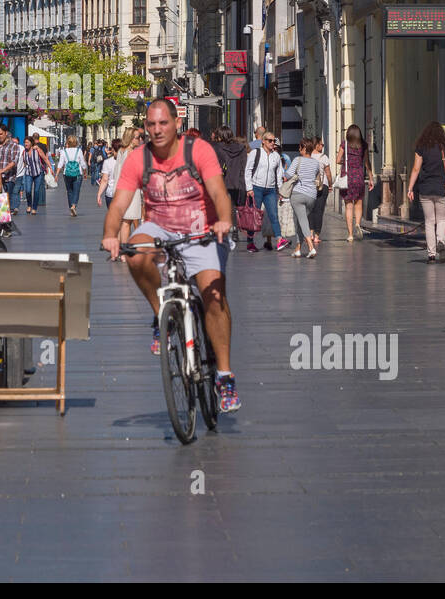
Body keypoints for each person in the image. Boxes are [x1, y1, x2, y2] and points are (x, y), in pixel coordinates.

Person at [102, 99, 239, 412]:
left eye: (163, 123)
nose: (156, 130)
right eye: (151, 124)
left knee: (213, 296)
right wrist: (110, 235)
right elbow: (119, 205)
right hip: (161, 228)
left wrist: (224, 219)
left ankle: (224, 375)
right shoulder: (139, 158)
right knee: (135, 252)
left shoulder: (198, 150)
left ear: (177, 123)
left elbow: (218, 191)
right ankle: (161, 312)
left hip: (201, 230)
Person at [407, 121, 445, 262]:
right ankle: (441, 242)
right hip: (440, 188)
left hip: (425, 188)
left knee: (429, 221)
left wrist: (410, 188)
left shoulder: (421, 147)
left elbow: (416, 168)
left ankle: (431, 254)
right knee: (442, 219)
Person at [243, 130, 290, 252]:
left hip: (270, 190)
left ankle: (280, 240)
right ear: (263, 141)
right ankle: (250, 243)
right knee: (254, 217)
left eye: (274, 140)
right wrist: (249, 188)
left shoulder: (276, 156)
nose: (272, 143)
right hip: (256, 188)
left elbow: (279, 174)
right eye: (270, 140)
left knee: (274, 215)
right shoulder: (255, 153)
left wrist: (280, 191)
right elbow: (248, 171)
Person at [283, 137, 326, 259]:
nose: (298, 149)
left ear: (303, 148)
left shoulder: (297, 160)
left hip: (298, 194)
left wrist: (284, 172)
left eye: (299, 147)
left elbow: (288, 175)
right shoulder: (316, 163)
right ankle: (297, 249)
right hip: (312, 196)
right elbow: (317, 176)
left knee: (302, 221)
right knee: (301, 221)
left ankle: (311, 247)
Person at [336, 124, 375, 241]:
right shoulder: (364, 145)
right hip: (358, 177)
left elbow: (338, 160)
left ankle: (350, 235)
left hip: (347, 177)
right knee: (359, 203)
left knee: (349, 207)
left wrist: (346, 160)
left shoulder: (344, 144)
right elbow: (367, 163)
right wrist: (371, 178)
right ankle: (358, 224)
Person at [0, 125, 22, 214]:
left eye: (1, 134)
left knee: (5, 203)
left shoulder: (14, 146)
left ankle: (5, 223)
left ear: (6, 133)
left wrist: (2, 170)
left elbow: (14, 162)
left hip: (8, 178)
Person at [56, 133, 85, 216]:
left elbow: (60, 164)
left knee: (69, 191)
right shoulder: (79, 151)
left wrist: (57, 174)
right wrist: (85, 172)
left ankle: (71, 208)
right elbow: (83, 163)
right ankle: (74, 205)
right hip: (78, 173)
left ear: (67, 142)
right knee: (76, 191)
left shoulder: (64, 151)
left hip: (67, 173)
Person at [311, 137, 332, 249]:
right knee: (319, 211)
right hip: (322, 186)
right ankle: (316, 236)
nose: (322, 147)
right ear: (317, 145)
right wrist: (330, 184)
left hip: (310, 187)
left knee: (311, 210)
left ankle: (310, 233)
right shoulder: (323, 157)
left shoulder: (308, 156)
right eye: (321, 145)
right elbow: (328, 173)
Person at [21, 136, 49, 215]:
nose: (25, 144)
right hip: (28, 173)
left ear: (31, 143)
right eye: (25, 142)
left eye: (27, 142)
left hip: (38, 173)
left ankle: (34, 208)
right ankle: (29, 205)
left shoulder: (37, 150)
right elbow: (24, 162)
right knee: (28, 190)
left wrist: (50, 168)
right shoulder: (24, 152)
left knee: (36, 191)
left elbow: (45, 159)